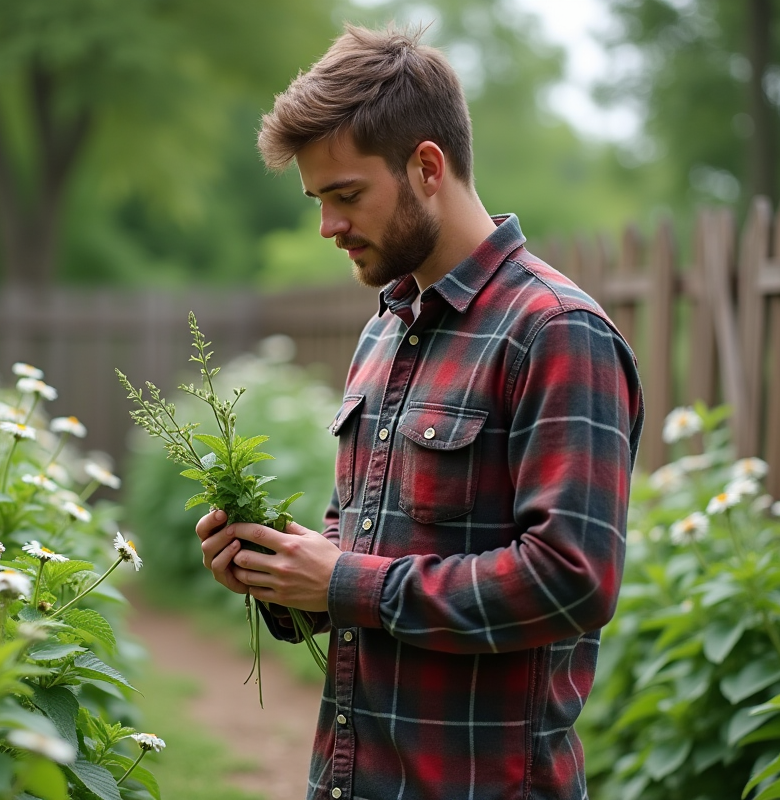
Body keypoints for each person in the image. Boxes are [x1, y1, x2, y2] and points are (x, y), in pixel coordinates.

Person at [196, 24, 644, 800]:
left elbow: (573, 580)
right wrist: (281, 575)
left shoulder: (555, 332)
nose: (328, 226)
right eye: (317, 200)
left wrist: (345, 583)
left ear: (427, 167)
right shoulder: (383, 329)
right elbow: (356, 550)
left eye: (346, 195)